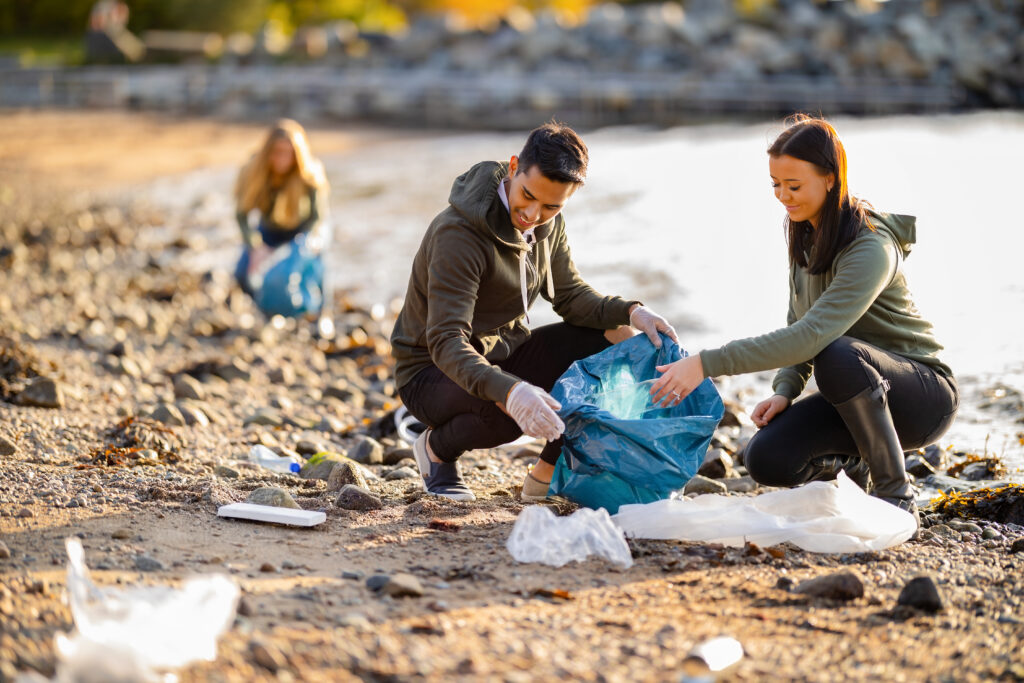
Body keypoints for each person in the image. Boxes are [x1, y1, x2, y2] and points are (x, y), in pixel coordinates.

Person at [650, 114, 957, 523]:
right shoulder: (807, 236)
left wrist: (707, 363)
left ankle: (895, 496)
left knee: (836, 355)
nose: (782, 195)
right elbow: (800, 322)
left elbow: (812, 336)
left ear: (830, 178)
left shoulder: (871, 247)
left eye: (793, 186)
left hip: (922, 397)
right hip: (858, 392)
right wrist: (785, 388)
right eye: (776, 184)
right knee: (765, 458)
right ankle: (854, 472)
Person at [391, 122, 677, 502]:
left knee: (609, 339)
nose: (532, 213)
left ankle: (546, 473)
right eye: (528, 196)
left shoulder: (548, 223)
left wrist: (632, 312)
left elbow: (571, 297)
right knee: (510, 413)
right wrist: (512, 390)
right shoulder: (458, 235)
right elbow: (445, 342)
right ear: (513, 167)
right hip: (430, 371)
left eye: (552, 206)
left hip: (500, 354)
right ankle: (435, 451)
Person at [234, 119, 329, 317]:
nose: (282, 159)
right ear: (268, 152)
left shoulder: (310, 174)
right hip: (269, 229)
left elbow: (317, 217)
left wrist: (306, 243)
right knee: (242, 273)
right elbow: (242, 214)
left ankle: (323, 312)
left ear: (297, 154)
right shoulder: (253, 171)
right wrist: (255, 246)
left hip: (304, 228)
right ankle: (263, 311)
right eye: (277, 152)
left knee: (306, 267)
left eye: (289, 153)